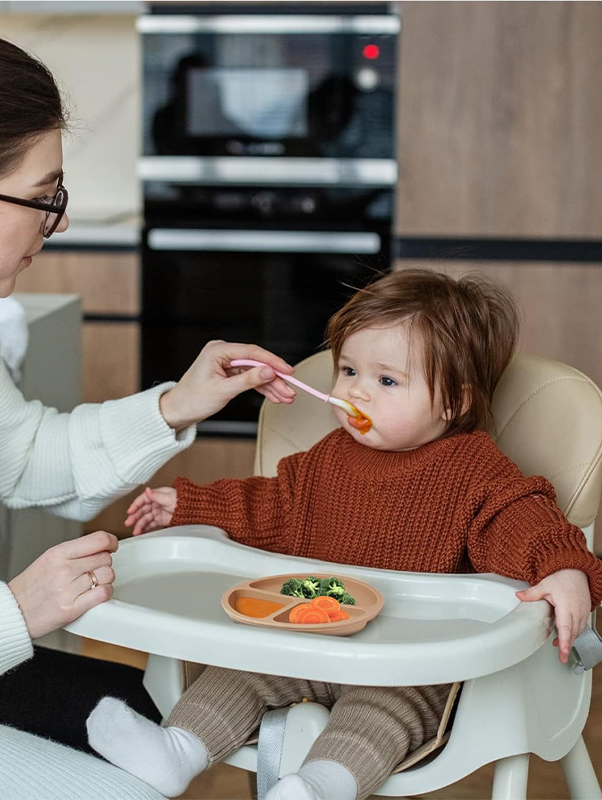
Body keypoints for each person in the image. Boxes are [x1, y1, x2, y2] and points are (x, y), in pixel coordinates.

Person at [0, 28, 298, 800]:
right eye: (43, 198)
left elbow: (25, 457)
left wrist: (177, 403)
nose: (57, 222)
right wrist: (13, 612)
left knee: (141, 716)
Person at [86, 269, 602, 800]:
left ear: (453, 402)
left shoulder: (472, 469)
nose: (355, 390)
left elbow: (521, 519)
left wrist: (563, 568)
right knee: (235, 673)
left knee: (379, 715)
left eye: (386, 380)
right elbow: (271, 507)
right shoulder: (329, 457)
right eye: (348, 369)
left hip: (404, 668)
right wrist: (188, 504)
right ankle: (178, 751)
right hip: (305, 640)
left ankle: (320, 786)